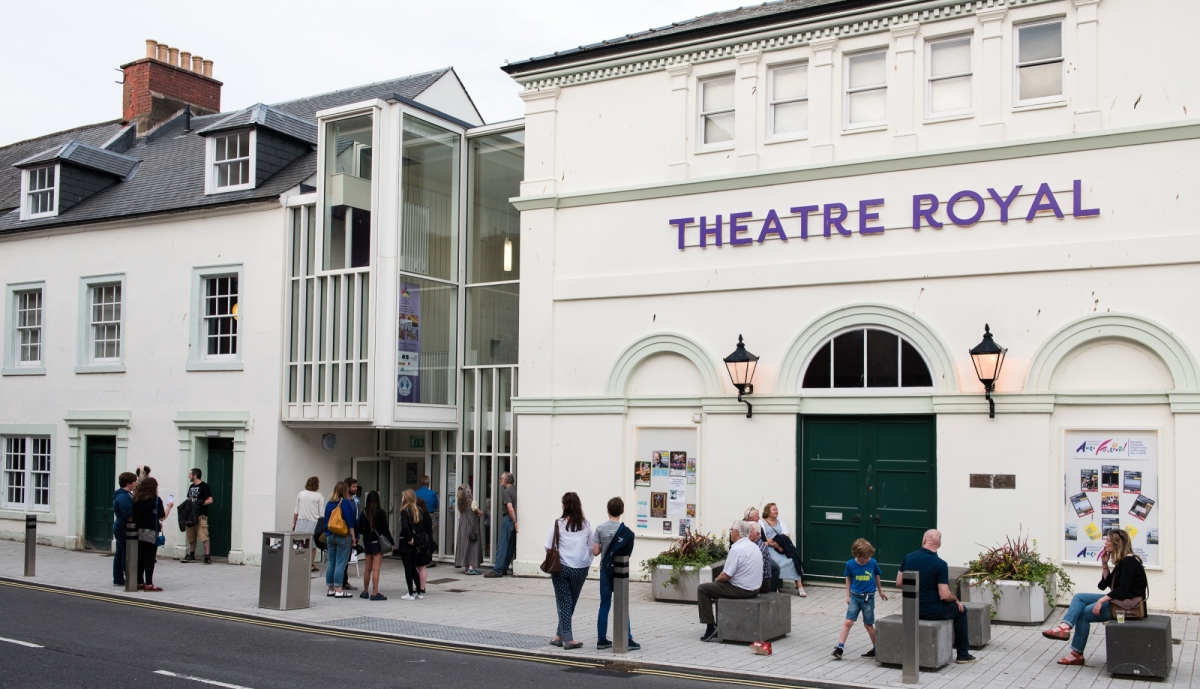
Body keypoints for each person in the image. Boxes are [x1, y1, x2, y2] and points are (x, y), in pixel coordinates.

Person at [1042, 529, 1147, 665]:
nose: (1105, 543)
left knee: (1083, 615)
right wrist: (1104, 564)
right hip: (1119, 600)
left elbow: (1123, 590)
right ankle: (1065, 626)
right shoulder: (1123, 561)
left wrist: (1101, 600)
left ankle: (1076, 654)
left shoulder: (1129, 562)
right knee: (1080, 597)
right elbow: (1108, 585)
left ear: (1117, 543)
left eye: (1108, 540)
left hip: (1126, 606)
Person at [897, 529, 976, 664]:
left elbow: (899, 583)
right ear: (939, 543)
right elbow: (944, 594)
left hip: (911, 609)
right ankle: (963, 654)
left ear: (924, 540)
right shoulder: (940, 564)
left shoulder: (908, 557)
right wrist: (956, 600)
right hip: (931, 610)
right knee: (961, 611)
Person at [696, 520, 761, 642]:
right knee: (717, 587)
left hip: (742, 589)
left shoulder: (736, 548)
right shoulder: (754, 546)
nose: (730, 533)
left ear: (736, 532)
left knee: (703, 589)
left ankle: (710, 626)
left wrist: (716, 581)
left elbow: (726, 575)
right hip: (755, 588)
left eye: (731, 530)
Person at [592, 497, 640, 651]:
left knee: (604, 604)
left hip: (605, 571)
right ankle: (628, 638)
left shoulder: (600, 528)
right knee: (622, 604)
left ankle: (601, 639)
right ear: (622, 511)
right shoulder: (626, 532)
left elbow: (595, 551)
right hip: (620, 572)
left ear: (608, 510)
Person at [546, 492, 593, 649]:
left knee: (565, 603)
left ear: (565, 506)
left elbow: (548, 546)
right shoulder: (586, 524)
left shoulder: (558, 524)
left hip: (561, 567)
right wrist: (587, 560)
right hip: (580, 568)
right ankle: (559, 636)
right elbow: (591, 547)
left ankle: (568, 639)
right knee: (570, 602)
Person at [833, 538, 888, 659]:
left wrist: (880, 591)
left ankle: (876, 647)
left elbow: (877, 576)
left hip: (868, 597)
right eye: (865, 557)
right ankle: (840, 647)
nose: (868, 559)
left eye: (869, 556)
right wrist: (848, 595)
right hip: (855, 597)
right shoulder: (850, 564)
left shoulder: (872, 563)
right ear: (857, 555)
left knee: (868, 624)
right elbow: (848, 579)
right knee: (848, 622)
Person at [761, 502, 806, 597]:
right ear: (767, 512)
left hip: (782, 548)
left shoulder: (780, 522)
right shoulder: (762, 522)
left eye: (776, 509)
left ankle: (799, 587)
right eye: (774, 510)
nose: (776, 511)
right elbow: (764, 538)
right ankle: (775, 587)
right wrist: (776, 544)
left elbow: (786, 536)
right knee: (776, 562)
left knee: (793, 561)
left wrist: (776, 542)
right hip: (769, 549)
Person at [132, 477, 166, 592]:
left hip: (136, 530)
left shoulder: (135, 498)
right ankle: (149, 583)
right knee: (150, 557)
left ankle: (139, 581)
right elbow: (161, 516)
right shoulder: (155, 500)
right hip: (149, 530)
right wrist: (169, 507)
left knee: (140, 556)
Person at [323, 481, 357, 598]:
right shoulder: (345, 502)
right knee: (340, 564)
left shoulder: (329, 503)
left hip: (330, 535)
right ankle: (339, 590)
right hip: (342, 535)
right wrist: (353, 536)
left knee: (331, 562)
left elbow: (326, 520)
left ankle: (331, 589)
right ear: (344, 490)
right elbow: (350, 522)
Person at [358, 490, 392, 601]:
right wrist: (392, 542)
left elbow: (359, 529)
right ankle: (374, 593)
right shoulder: (381, 512)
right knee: (376, 569)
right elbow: (385, 530)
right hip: (377, 543)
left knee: (367, 569)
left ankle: (365, 591)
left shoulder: (363, 513)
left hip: (367, 543)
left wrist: (367, 533)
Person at [486, 472, 517, 578]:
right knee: (510, 546)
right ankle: (504, 567)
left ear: (507, 480)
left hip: (509, 519)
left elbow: (510, 507)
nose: (500, 480)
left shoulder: (507, 491)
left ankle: (497, 570)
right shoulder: (515, 489)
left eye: (501, 478)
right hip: (514, 519)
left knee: (502, 545)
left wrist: (514, 521)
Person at [744, 508, 780, 593]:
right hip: (747, 556)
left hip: (760, 553)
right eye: (757, 516)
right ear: (750, 518)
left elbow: (765, 542)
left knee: (776, 567)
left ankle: (772, 592)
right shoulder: (739, 527)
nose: (759, 518)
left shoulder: (757, 526)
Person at [397, 489, 424, 600]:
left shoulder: (404, 511)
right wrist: (415, 539)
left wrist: (409, 538)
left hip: (406, 541)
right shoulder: (419, 510)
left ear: (407, 498)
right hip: (417, 541)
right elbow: (420, 527)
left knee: (408, 568)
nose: (402, 498)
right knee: (413, 567)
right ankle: (419, 591)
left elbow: (405, 527)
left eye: (403, 496)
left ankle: (410, 592)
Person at [292, 477, 324, 573]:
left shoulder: (301, 494)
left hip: (301, 521)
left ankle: (298, 563)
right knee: (313, 546)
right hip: (313, 522)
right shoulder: (319, 496)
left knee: (299, 544)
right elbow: (321, 513)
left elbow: (296, 510)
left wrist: (294, 522)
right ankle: (311, 565)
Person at [182, 468, 213, 564]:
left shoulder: (204, 486)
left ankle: (207, 556)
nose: (189, 476)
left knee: (204, 535)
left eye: (190, 474)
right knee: (191, 536)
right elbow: (188, 499)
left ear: (195, 475)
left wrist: (199, 503)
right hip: (190, 515)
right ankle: (191, 554)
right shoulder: (191, 486)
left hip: (200, 515)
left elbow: (210, 500)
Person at [112, 472, 137, 586]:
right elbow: (128, 515)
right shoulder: (123, 497)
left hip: (120, 526)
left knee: (120, 553)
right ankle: (129, 577)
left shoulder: (126, 494)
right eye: (134, 481)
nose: (136, 483)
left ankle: (118, 578)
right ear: (128, 483)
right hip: (123, 528)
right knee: (126, 554)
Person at [454, 484, 483, 575]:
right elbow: (479, 513)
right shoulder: (472, 502)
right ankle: (471, 568)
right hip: (472, 526)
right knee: (473, 545)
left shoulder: (460, 503)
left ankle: (466, 567)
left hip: (463, 526)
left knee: (464, 545)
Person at [416, 475, 440, 567]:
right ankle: (429, 558)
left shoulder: (415, 493)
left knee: (419, 535)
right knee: (429, 536)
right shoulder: (432, 493)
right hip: (429, 515)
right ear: (428, 483)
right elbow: (436, 505)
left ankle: (419, 555)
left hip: (417, 515)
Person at [341, 477, 360, 591]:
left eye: (356, 486)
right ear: (347, 487)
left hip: (350, 534)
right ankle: (338, 582)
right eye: (353, 486)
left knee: (346, 559)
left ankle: (343, 581)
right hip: (342, 532)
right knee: (340, 561)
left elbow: (356, 519)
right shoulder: (341, 500)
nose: (355, 488)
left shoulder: (356, 501)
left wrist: (356, 536)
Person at [415, 497, 434, 596]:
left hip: (422, 544)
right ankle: (422, 586)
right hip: (427, 544)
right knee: (422, 567)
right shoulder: (427, 516)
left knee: (421, 567)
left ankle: (421, 588)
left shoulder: (421, 516)